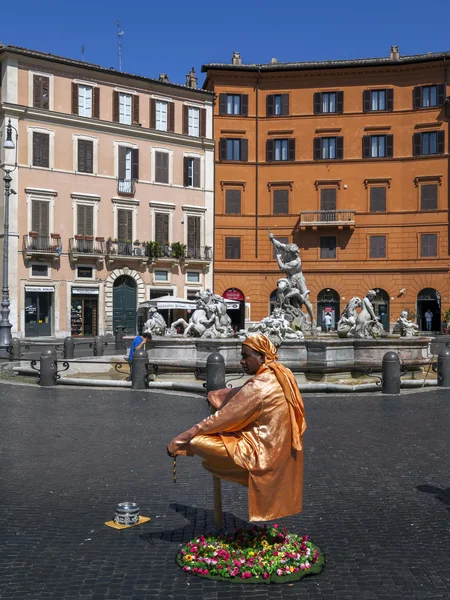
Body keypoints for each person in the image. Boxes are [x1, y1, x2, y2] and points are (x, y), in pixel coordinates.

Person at [167, 334, 306, 522]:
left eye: (245, 356)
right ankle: (244, 474)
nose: (241, 361)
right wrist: (218, 395)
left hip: (262, 455)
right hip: (283, 452)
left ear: (262, 357)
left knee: (198, 441)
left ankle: (246, 476)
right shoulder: (283, 375)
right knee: (224, 434)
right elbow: (242, 395)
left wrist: (180, 440)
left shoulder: (257, 387)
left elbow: (219, 420)